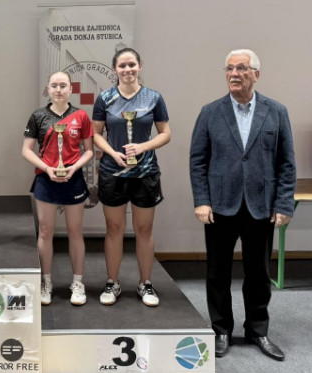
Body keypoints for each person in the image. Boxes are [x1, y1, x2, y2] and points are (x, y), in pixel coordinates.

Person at [189, 49, 295, 361]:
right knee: (218, 273)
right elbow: (198, 161)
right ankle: (221, 329)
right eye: (229, 68)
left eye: (242, 68)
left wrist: (284, 203)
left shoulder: (276, 112)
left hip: (261, 206)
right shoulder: (210, 112)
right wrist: (202, 200)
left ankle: (257, 330)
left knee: (259, 274)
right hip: (220, 206)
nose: (234, 74)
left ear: (256, 74)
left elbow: (287, 163)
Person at [92, 48, 171, 307]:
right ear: (114, 69)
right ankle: (112, 282)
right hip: (112, 172)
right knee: (114, 228)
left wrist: (142, 147)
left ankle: (145, 284)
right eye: (122, 66)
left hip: (145, 172)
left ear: (140, 66)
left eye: (132, 65)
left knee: (144, 230)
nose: (127, 70)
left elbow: (165, 133)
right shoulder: (105, 98)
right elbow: (95, 134)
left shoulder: (153, 98)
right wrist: (112, 153)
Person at [22, 72, 94, 306]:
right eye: (54, 85)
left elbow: (89, 151)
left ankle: (78, 282)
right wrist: (47, 168)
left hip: (73, 179)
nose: (59, 90)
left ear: (71, 89)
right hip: (46, 179)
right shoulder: (38, 116)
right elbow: (26, 150)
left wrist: (74, 168)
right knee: (45, 231)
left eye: (63, 85)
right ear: (48, 89)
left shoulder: (81, 116)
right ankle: (46, 282)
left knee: (75, 231)